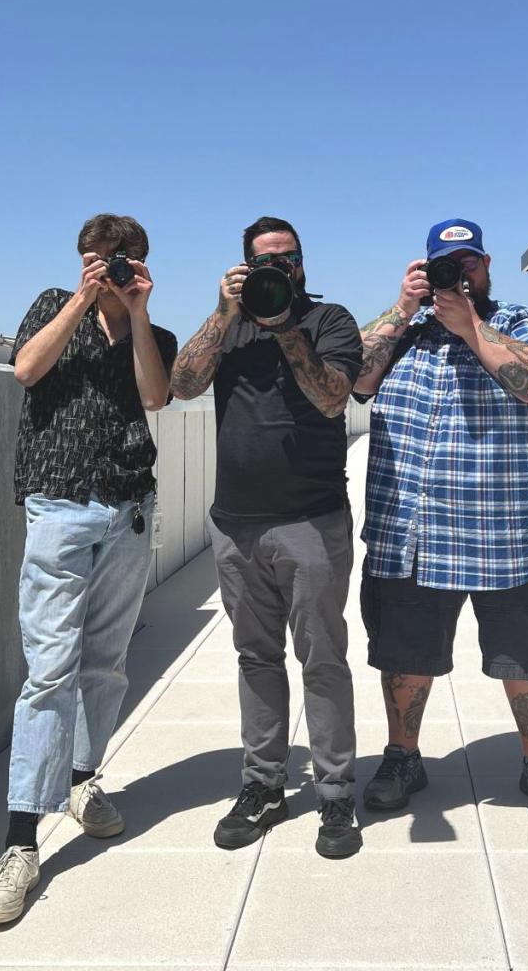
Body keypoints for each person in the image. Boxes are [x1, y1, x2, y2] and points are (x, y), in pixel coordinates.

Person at [0, 214, 177, 925]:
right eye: (95, 257)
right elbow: (27, 368)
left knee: (108, 663)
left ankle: (85, 781)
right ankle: (20, 843)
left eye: (118, 260)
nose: (106, 267)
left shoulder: (158, 332)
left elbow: (155, 397)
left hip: (127, 510)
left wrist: (139, 315)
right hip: (57, 510)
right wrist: (81, 301)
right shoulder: (51, 304)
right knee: (49, 672)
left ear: (142, 263)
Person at [355, 218, 528, 819]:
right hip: (412, 531)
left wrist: (470, 324)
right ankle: (403, 756)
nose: (460, 276)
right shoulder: (407, 331)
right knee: (403, 654)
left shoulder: (521, 321)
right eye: (445, 267)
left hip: (513, 531)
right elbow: (349, 378)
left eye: (470, 264)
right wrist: (402, 309)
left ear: (486, 267)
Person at [170, 216, 364, 858]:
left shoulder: (329, 321)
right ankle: (264, 784)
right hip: (236, 523)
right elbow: (184, 384)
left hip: (312, 518)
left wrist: (284, 329)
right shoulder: (229, 324)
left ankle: (335, 794)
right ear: (245, 265)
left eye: (286, 258)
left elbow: (333, 398)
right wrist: (225, 312)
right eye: (264, 260)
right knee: (256, 659)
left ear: (302, 262)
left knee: (324, 659)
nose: (277, 268)